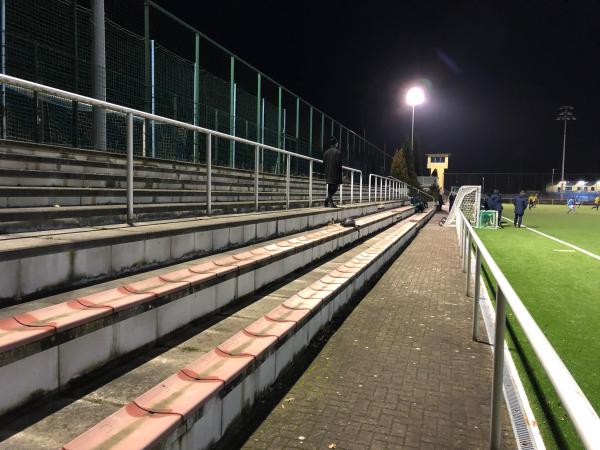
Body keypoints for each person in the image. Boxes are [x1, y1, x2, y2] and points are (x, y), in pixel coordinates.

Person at [323, 136, 342, 207]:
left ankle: (328, 201)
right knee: (335, 188)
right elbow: (339, 165)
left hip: (328, 173)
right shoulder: (338, 152)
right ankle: (329, 201)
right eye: (337, 143)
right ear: (336, 144)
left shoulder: (326, 152)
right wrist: (340, 176)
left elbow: (324, 162)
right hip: (335, 173)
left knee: (330, 187)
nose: (338, 144)